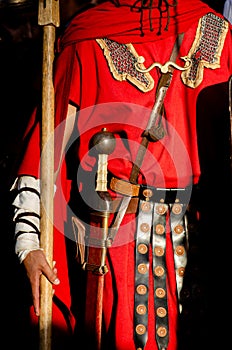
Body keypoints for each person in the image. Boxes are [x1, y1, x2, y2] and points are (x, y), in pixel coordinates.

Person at [10, 1, 232, 349]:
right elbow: (44, 150)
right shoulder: (88, 40)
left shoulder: (218, 33)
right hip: (123, 244)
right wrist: (28, 242)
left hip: (204, 244)